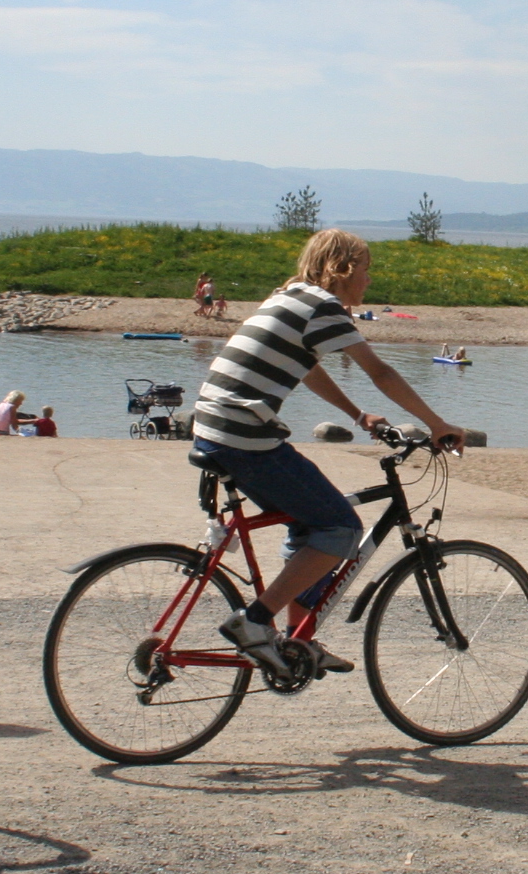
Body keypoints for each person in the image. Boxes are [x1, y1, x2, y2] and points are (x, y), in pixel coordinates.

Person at [193, 229, 463, 676]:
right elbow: (381, 372)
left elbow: (309, 368)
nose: (368, 280)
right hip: (243, 435)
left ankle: (300, 641)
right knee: (340, 528)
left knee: (310, 528)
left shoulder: (290, 298)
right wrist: (438, 425)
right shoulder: (324, 305)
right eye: (365, 269)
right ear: (341, 268)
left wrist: (358, 416)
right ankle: (255, 623)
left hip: (216, 427)